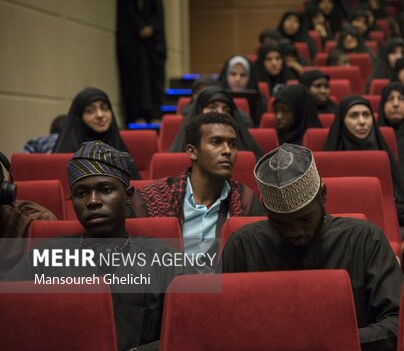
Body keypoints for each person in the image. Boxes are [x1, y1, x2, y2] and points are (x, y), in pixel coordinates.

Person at [221, 143, 403, 351]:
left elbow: (397, 322)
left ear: (323, 195)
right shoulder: (243, 246)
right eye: (280, 223)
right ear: (265, 210)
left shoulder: (365, 240)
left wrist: (333, 342)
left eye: (305, 219)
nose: (295, 231)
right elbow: (222, 324)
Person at [6, 141, 183, 350]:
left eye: (105, 190)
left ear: (127, 196)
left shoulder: (163, 258)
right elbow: (11, 317)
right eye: (81, 194)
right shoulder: (47, 255)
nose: (92, 201)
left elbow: (186, 330)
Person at [130, 112, 261, 250]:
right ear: (192, 151)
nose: (227, 151)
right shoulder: (151, 199)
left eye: (233, 144)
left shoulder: (245, 200)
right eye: (216, 142)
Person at [324, 95, 404, 233]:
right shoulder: (332, 157)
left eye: (366, 115)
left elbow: (401, 207)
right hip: (339, 229)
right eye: (354, 116)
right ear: (342, 121)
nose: (362, 122)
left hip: (385, 228)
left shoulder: (382, 155)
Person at [116, 0, 166, 124]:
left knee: (152, 77)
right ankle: (137, 113)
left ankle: (154, 112)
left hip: (152, 43)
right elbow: (125, 13)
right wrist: (139, 27)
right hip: (133, 42)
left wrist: (150, 27)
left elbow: (158, 13)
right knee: (136, 79)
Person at [53, 88, 141, 179]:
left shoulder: (119, 148)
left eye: (105, 108)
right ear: (79, 118)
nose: (100, 115)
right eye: (90, 110)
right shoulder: (67, 153)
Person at [168, 86, 263, 157]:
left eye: (226, 110)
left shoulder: (244, 147)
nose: (220, 113)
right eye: (212, 108)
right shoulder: (182, 148)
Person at [218, 55, 267, 125]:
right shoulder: (217, 98)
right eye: (233, 74)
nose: (237, 79)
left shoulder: (260, 102)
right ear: (226, 75)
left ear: (249, 77)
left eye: (243, 75)